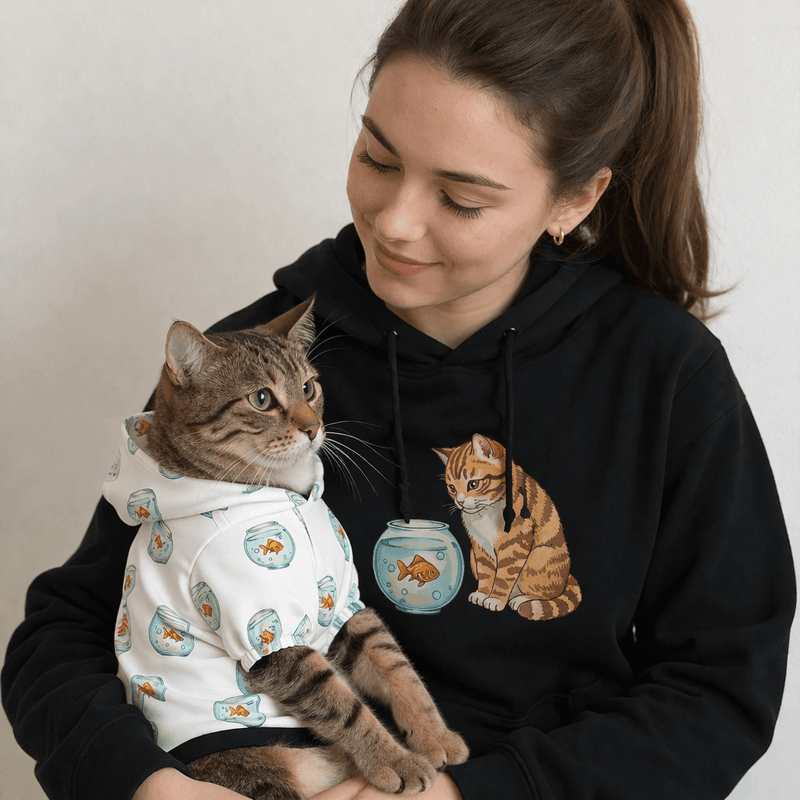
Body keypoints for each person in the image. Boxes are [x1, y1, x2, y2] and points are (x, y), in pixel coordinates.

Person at [2, 1, 795, 799]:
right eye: (378, 159)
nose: (396, 224)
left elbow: (720, 686)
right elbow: (61, 636)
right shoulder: (246, 370)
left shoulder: (663, 373)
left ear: (574, 201)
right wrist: (147, 786)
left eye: (462, 199)